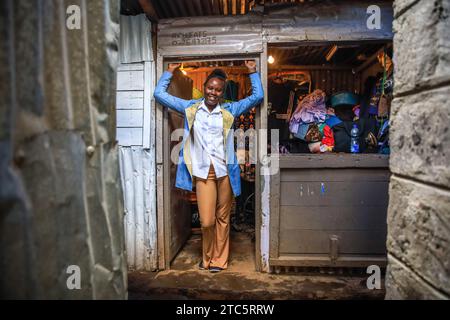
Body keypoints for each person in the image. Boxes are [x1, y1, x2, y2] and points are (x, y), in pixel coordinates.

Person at [154, 61, 263, 273]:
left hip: (226, 173)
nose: (213, 92)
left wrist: (252, 71)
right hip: (204, 173)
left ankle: (218, 261)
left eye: (218, 89)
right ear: (204, 87)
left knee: (223, 218)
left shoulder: (229, 110)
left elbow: (257, 97)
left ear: (222, 92)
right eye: (210, 88)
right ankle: (207, 256)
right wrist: (169, 72)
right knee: (206, 221)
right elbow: (159, 94)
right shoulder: (191, 108)